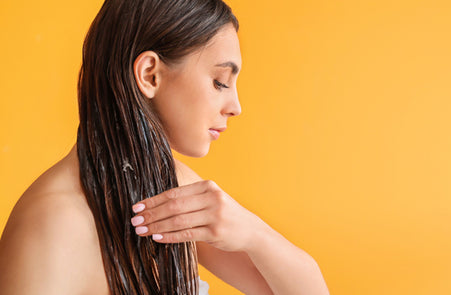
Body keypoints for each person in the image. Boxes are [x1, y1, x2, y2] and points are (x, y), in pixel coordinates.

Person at [0, 0, 330, 294]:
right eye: (220, 82)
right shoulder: (53, 224)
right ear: (150, 75)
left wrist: (253, 233)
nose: (236, 105)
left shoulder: (167, 189)